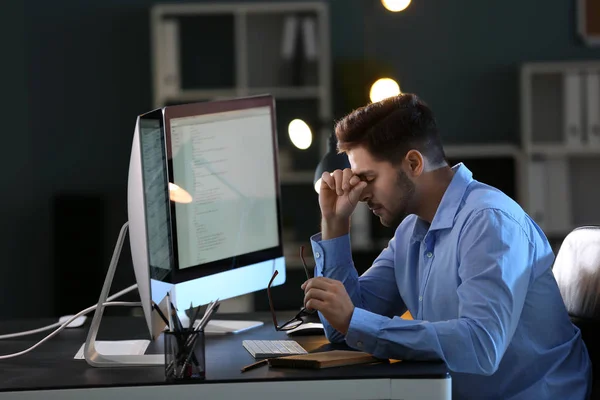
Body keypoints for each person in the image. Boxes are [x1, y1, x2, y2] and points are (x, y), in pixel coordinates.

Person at [301, 93, 592, 399]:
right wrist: (334, 224)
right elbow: (344, 329)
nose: (360, 193)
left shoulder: (489, 223)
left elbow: (481, 345)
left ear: (413, 163)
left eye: (368, 178)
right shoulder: (410, 232)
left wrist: (354, 321)